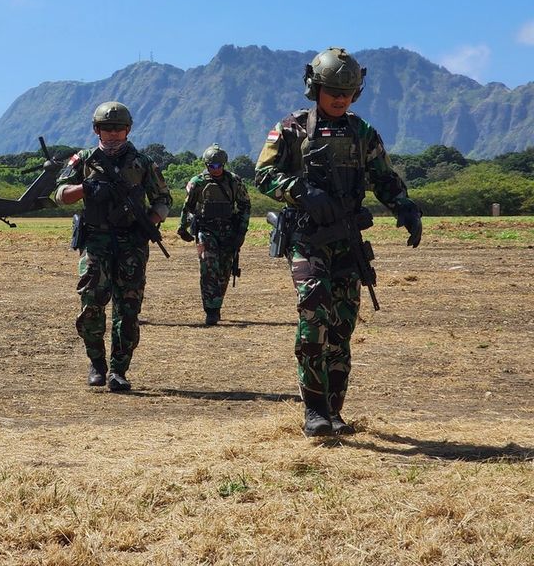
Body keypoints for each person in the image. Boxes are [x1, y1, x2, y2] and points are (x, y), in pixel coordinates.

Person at [255, 47, 423, 437]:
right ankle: (313, 410)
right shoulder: (292, 127)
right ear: (315, 87)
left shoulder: (362, 132)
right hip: (308, 239)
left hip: (348, 241)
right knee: (314, 316)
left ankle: (334, 411)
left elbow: (384, 177)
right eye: (333, 89)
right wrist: (300, 191)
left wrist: (405, 207)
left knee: (342, 327)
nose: (340, 97)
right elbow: (263, 175)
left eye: (348, 91)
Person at [54, 101, 172, 392]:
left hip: (132, 242)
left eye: (119, 128)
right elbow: (58, 195)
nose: (114, 134)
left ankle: (119, 370)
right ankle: (96, 363)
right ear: (96, 129)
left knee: (128, 308)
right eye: (107, 128)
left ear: (129, 129)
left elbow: (164, 199)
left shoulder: (143, 163)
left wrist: (148, 222)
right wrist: (86, 188)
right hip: (96, 241)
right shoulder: (82, 160)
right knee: (91, 303)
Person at [177, 144, 250, 326]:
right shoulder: (198, 182)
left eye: (218, 166)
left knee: (224, 271)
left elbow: (245, 206)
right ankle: (211, 310)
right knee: (209, 267)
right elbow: (188, 207)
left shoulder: (234, 181)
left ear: (224, 164)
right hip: (205, 231)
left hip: (228, 232)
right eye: (212, 166)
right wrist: (182, 227)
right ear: (206, 165)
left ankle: (217, 304)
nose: (215, 169)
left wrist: (241, 231)